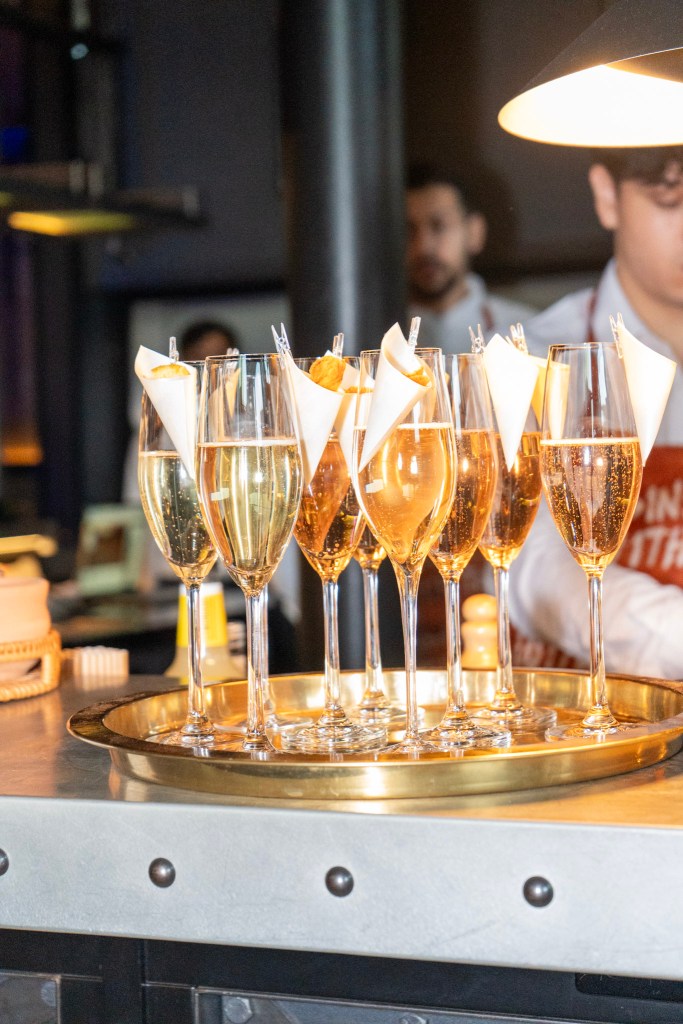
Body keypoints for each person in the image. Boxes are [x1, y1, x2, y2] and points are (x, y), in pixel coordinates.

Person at [510, 145, 683, 680]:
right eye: (671, 199)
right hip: (575, 709)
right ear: (608, 196)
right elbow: (536, 573)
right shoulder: (533, 357)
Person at [406, 163, 535, 350]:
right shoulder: (371, 335)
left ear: (475, 232)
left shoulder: (528, 336)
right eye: (408, 230)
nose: (423, 246)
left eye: (439, 226)